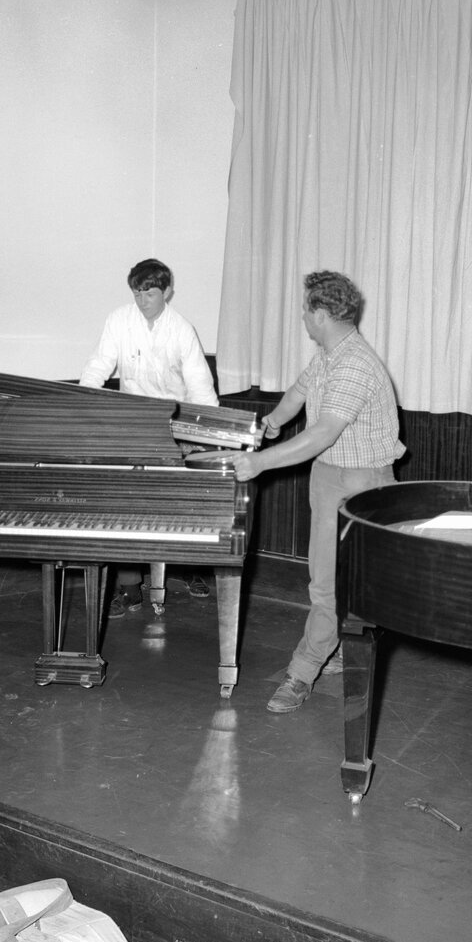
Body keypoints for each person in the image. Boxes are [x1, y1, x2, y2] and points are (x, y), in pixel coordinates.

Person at [232, 270, 403, 713]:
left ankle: (301, 672)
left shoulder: (355, 364)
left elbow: (324, 432)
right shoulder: (329, 353)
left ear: (322, 314)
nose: (303, 318)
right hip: (329, 478)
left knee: (329, 588)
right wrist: (272, 421)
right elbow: (300, 391)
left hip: (363, 485)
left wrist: (260, 462)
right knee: (329, 584)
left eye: (307, 310)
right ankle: (336, 649)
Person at [79, 257, 218, 615]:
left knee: (177, 504)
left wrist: (210, 435)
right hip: (132, 423)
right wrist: (81, 404)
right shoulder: (119, 320)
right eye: (137, 293)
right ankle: (129, 588)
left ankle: (187, 569)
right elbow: (99, 364)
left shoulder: (183, 329)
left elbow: (201, 387)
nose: (143, 302)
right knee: (128, 505)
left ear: (167, 291)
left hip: (175, 424)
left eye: (150, 293)